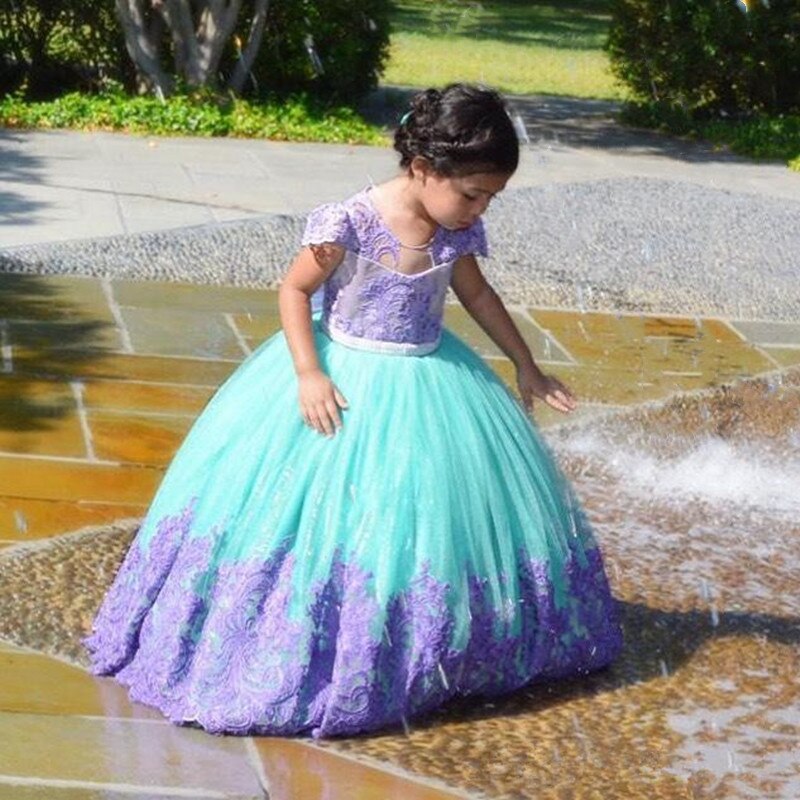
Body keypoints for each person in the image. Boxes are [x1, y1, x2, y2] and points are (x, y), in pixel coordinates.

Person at [84, 84, 622, 739]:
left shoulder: (455, 229)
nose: (479, 209)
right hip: (345, 381)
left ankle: (434, 645)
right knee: (335, 511)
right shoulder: (350, 221)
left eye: (490, 198)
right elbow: (294, 289)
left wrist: (525, 364)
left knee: (425, 516)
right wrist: (308, 372)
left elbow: (478, 296)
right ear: (423, 168)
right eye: (472, 194)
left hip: (431, 382)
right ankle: (316, 640)